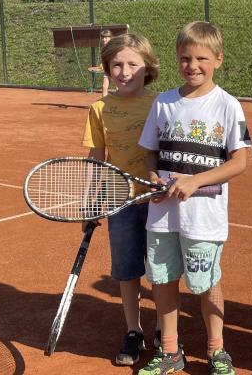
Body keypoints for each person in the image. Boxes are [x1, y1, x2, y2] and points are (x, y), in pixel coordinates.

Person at [136, 21, 250, 375]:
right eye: (185, 58)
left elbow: (240, 161)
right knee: (163, 281)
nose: (192, 65)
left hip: (204, 218)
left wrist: (195, 181)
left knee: (207, 283)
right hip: (162, 217)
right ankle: (170, 350)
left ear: (218, 59)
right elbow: (149, 153)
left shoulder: (228, 106)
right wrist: (153, 177)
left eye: (202, 58)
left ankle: (216, 350)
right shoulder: (164, 102)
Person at [81, 33, 160, 366]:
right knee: (127, 272)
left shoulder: (162, 103)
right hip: (120, 203)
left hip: (159, 202)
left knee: (162, 271)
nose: (124, 71)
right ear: (107, 69)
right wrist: (90, 202)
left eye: (132, 63)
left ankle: (165, 330)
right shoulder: (100, 108)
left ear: (148, 68)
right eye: (117, 64)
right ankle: (133, 330)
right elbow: (97, 156)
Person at [87, 29, 114, 97]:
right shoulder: (103, 48)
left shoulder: (114, 47)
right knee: (104, 87)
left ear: (110, 38)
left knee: (118, 87)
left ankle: (121, 104)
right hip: (107, 70)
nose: (104, 39)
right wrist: (103, 65)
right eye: (102, 37)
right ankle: (104, 103)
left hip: (114, 69)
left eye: (106, 37)